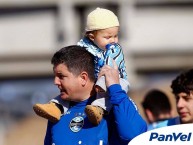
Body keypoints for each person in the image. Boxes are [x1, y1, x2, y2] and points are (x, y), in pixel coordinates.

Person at [33, 7, 131, 125]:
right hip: (92, 78)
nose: (113, 40)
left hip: (113, 79)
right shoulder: (83, 47)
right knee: (70, 88)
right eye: (108, 37)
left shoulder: (115, 50)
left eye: (115, 36)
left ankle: (98, 109)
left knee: (105, 96)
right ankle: (55, 106)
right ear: (92, 37)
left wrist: (102, 82)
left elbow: (111, 69)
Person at [44, 45, 147, 145]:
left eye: (61, 76)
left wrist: (115, 87)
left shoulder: (114, 104)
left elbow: (134, 136)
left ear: (83, 78)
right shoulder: (56, 112)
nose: (56, 82)